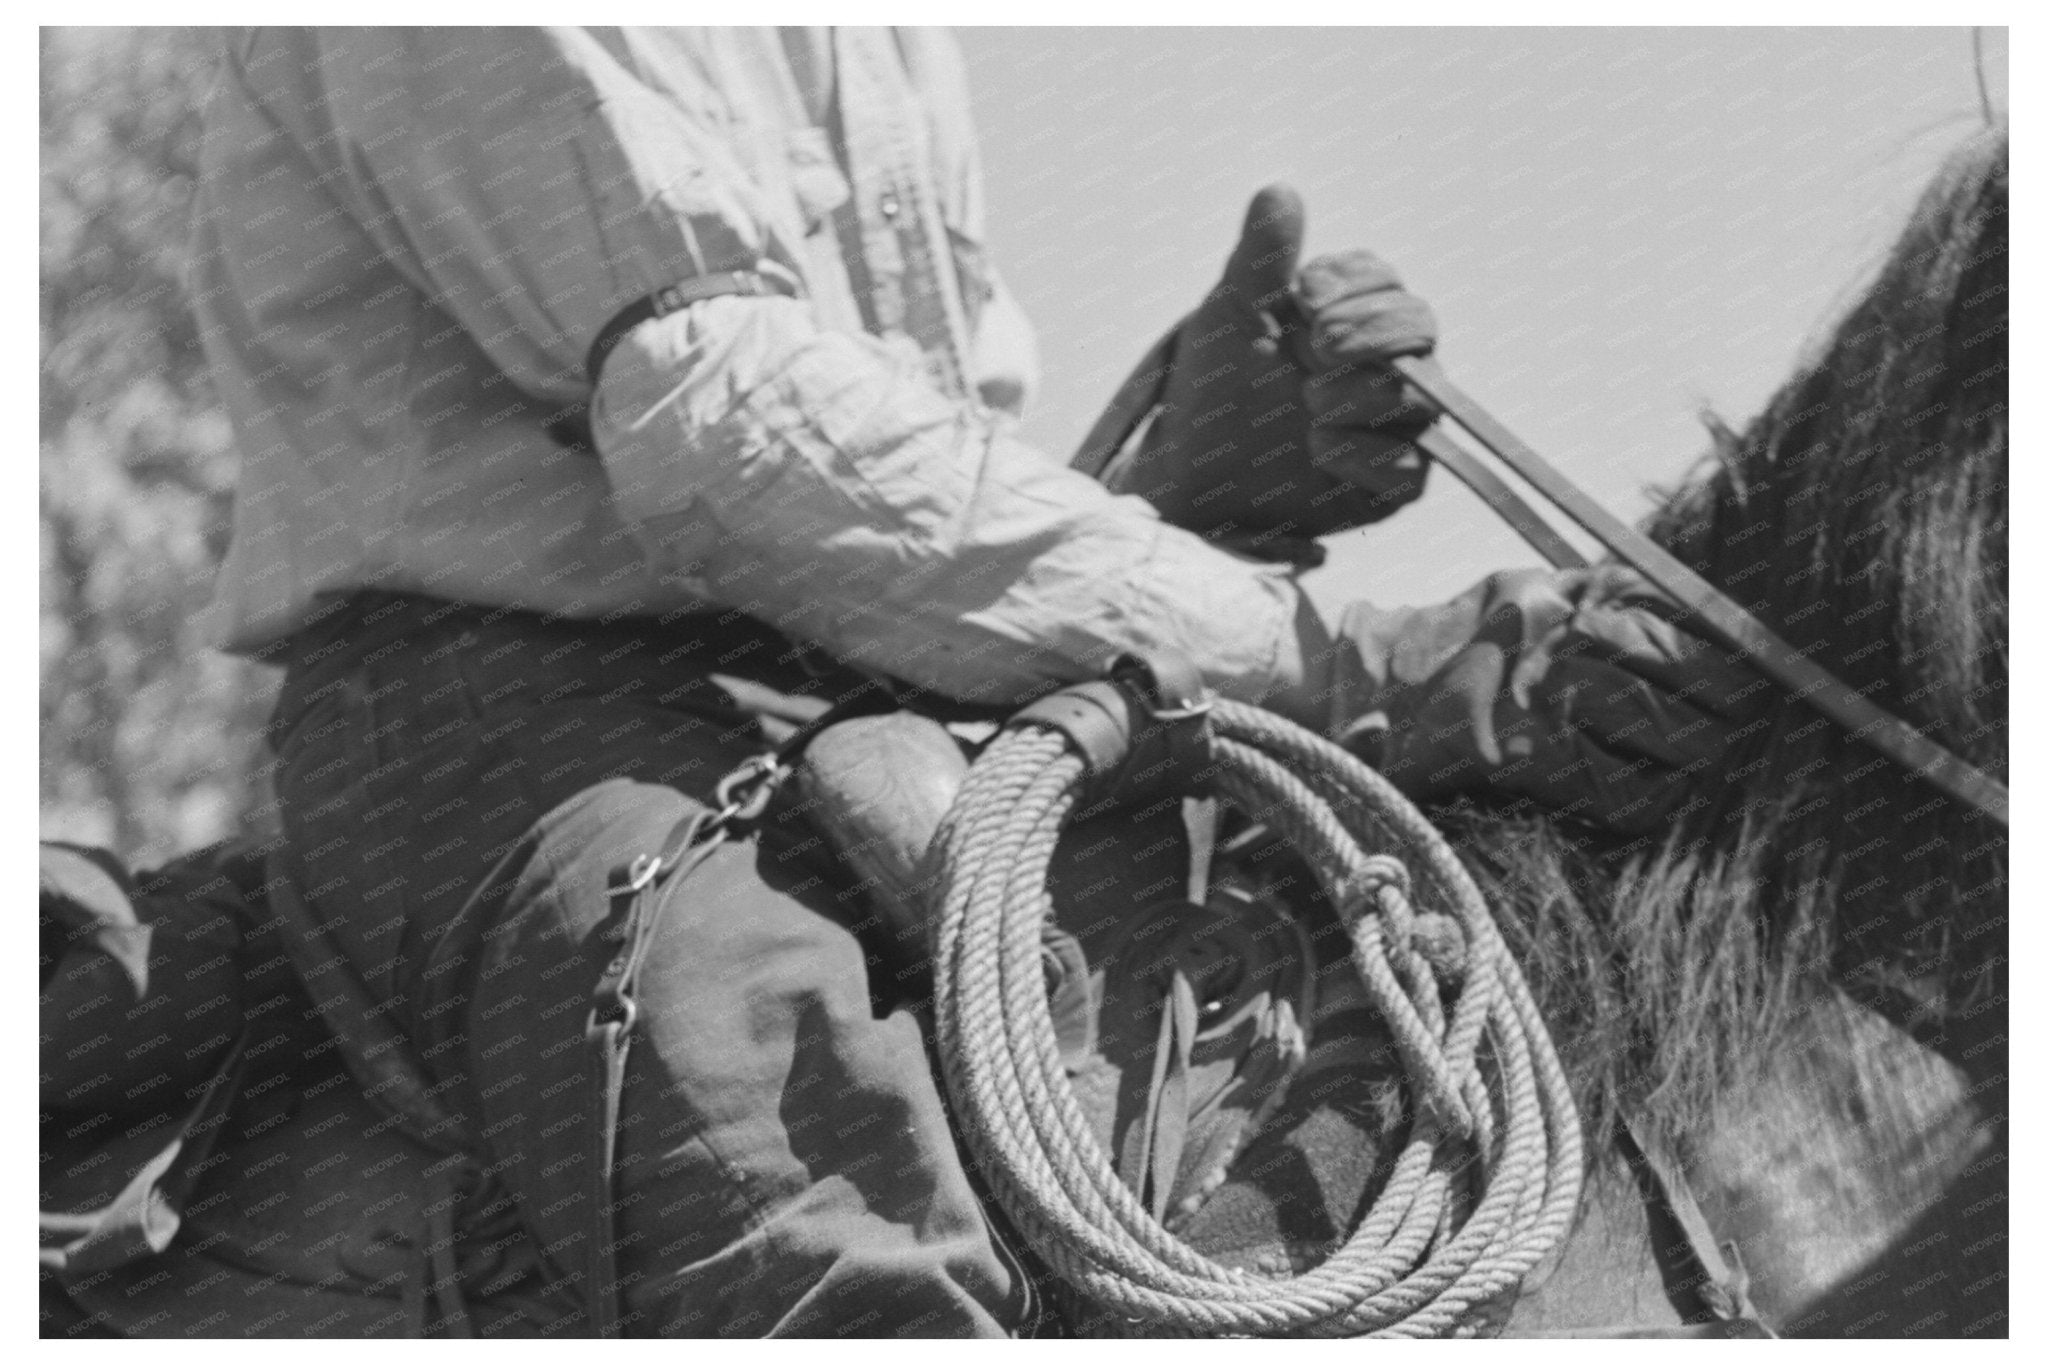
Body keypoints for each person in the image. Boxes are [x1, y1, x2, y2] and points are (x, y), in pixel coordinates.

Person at [184, 26, 1756, 1337]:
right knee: (813, 1159)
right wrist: (1328, 658)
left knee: (1322, 1023)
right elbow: (723, 437)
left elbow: (868, 500)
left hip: (854, 680)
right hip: (495, 715)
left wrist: (1175, 490)